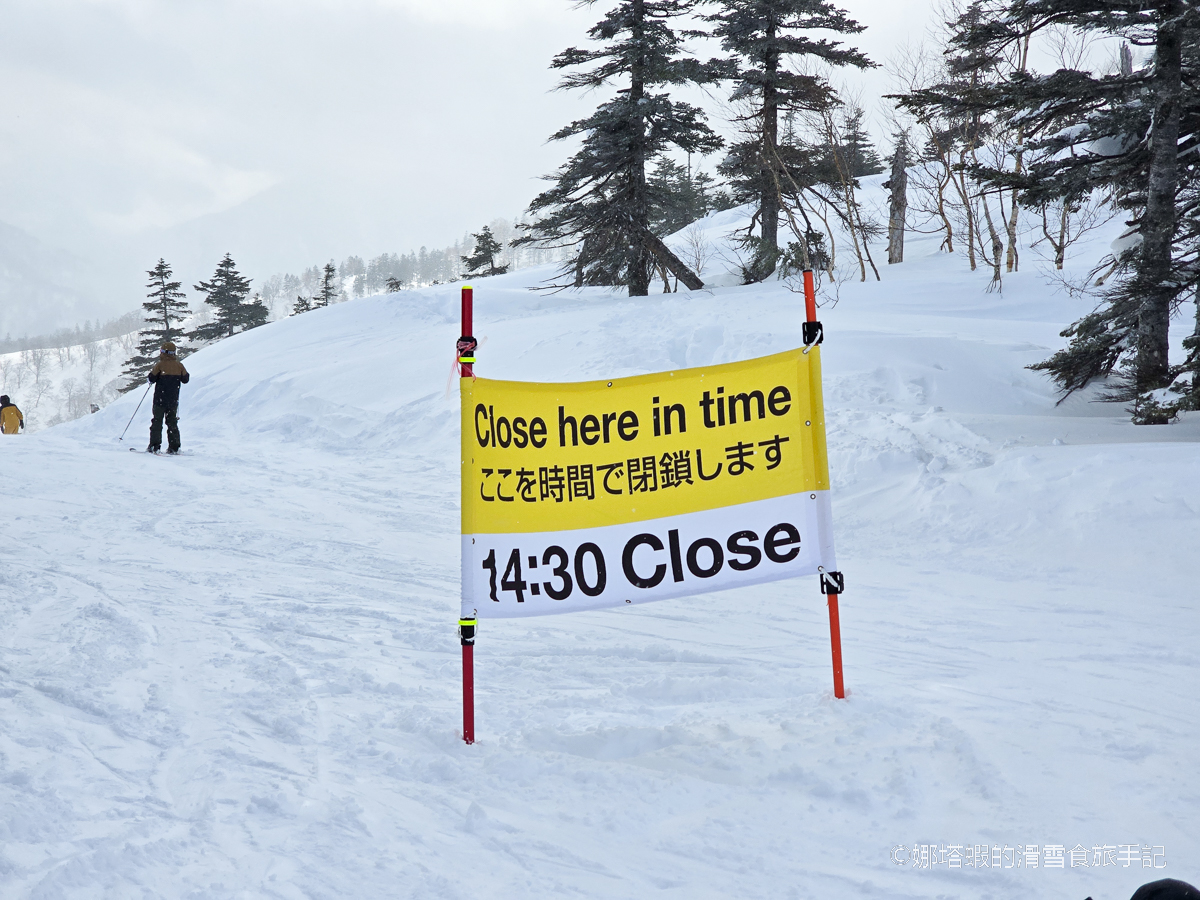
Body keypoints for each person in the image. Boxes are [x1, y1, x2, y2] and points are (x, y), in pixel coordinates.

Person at [146, 342, 190, 453]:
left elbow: (151, 378)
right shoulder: (179, 365)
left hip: (160, 399)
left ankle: (155, 446)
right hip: (173, 400)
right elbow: (186, 379)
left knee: (157, 422)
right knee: (172, 423)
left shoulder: (160, 365)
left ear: (163, 352)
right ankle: (174, 447)